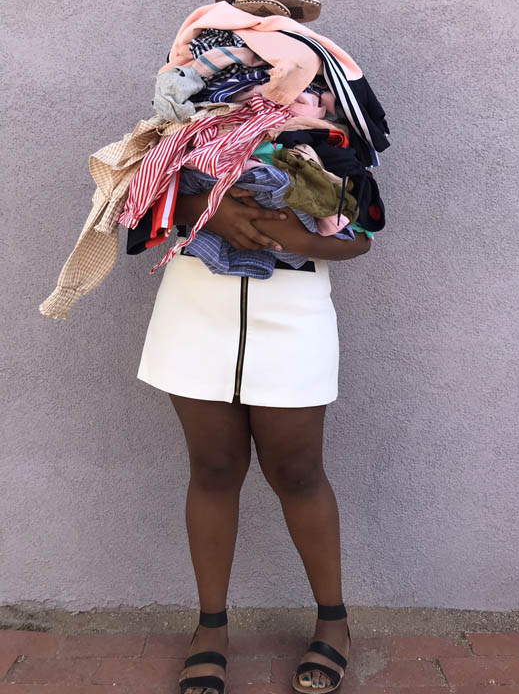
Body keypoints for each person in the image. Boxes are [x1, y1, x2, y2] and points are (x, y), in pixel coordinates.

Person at [138, 183, 371, 694]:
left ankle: (334, 620)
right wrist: (201, 207)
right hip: (195, 307)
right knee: (213, 469)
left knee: (298, 472)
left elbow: (364, 233)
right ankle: (211, 627)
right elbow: (133, 194)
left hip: (293, 310)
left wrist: (300, 239)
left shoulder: (334, 127)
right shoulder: (190, 116)